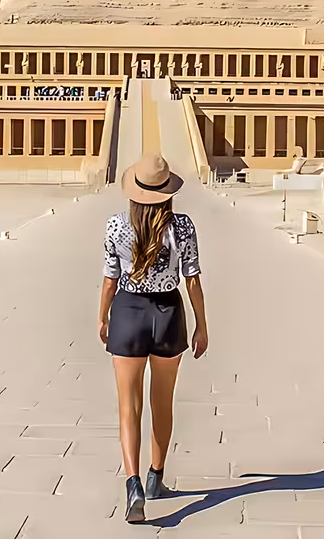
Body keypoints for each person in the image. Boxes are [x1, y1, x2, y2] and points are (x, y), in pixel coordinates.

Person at [99, 153, 208, 523]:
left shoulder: (117, 225)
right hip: (168, 314)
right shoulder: (182, 226)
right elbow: (191, 278)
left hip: (128, 312)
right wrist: (202, 324)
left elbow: (110, 279)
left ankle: (133, 485)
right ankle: (155, 477)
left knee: (129, 407)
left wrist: (102, 317)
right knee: (162, 403)